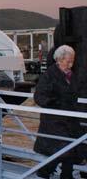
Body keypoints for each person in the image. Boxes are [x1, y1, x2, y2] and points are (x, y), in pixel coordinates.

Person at [34, 45, 86, 179]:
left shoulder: (71, 75)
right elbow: (39, 96)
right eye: (68, 61)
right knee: (66, 148)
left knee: (72, 148)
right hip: (54, 120)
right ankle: (45, 171)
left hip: (70, 118)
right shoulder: (49, 75)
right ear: (59, 59)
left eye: (72, 61)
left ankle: (65, 175)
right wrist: (53, 103)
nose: (71, 64)